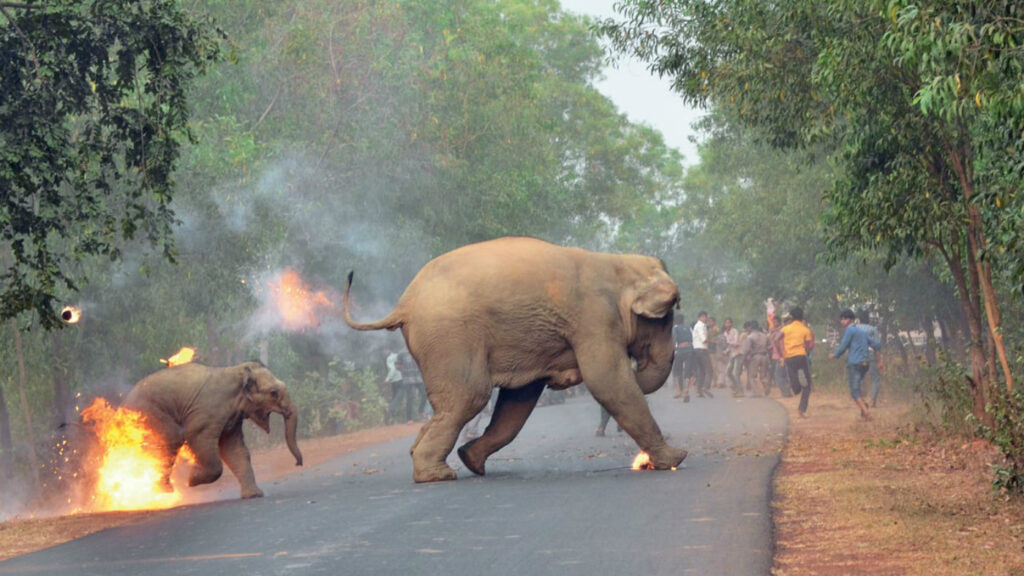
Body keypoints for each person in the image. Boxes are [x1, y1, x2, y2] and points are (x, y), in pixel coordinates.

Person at [830, 309, 881, 420]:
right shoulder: (861, 332)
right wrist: (879, 361)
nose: (842, 321)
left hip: (855, 363)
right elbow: (876, 345)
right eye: (842, 319)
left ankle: (867, 413)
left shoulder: (850, 330)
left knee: (854, 391)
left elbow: (843, 346)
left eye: (845, 319)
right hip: (865, 363)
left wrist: (835, 355)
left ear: (851, 320)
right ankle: (864, 409)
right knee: (858, 387)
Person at [781, 307, 815, 417]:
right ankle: (802, 409)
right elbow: (810, 344)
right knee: (807, 385)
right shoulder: (806, 329)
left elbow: (776, 338)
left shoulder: (785, 329)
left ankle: (796, 388)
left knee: (794, 381)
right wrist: (807, 351)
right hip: (801, 356)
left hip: (789, 357)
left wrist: (782, 352)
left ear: (791, 317)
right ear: (802, 316)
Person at [858, 310, 885, 407]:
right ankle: (873, 401)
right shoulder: (873, 329)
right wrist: (880, 361)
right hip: (871, 356)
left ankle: (860, 400)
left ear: (859, 319)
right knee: (875, 379)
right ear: (868, 319)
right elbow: (876, 346)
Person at [741, 320, 771, 396]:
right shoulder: (764, 335)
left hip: (755, 357)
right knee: (763, 375)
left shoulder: (750, 337)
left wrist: (743, 360)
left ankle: (756, 392)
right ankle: (766, 385)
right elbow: (769, 346)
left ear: (751, 327)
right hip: (765, 356)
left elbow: (746, 350)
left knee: (752, 376)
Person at [691, 311, 714, 398]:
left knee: (702, 371)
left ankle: (699, 390)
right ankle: (706, 387)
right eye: (704, 317)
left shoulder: (700, 326)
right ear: (700, 317)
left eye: (706, 316)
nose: (706, 318)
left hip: (697, 350)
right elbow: (704, 339)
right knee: (709, 370)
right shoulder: (700, 326)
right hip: (702, 350)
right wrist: (715, 342)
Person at [672, 313, 694, 401]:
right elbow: (691, 339)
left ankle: (678, 391)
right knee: (688, 371)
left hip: (680, 351)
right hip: (690, 350)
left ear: (675, 321)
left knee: (677, 371)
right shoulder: (688, 328)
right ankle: (686, 391)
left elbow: (674, 339)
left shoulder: (675, 328)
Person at [721, 318, 743, 396]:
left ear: (731, 324)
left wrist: (728, 342)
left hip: (738, 353)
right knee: (728, 372)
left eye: (729, 323)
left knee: (735, 373)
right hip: (732, 354)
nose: (727, 324)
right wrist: (725, 351)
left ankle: (741, 391)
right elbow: (729, 346)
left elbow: (736, 342)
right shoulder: (725, 333)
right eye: (726, 323)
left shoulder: (735, 331)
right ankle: (735, 387)